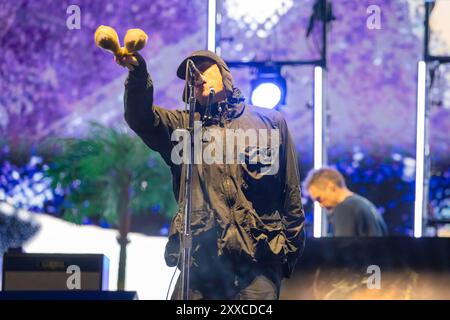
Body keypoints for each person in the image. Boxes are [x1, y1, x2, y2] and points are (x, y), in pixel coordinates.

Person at [116, 49, 305, 299]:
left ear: (224, 74)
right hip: (200, 268)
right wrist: (138, 73)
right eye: (190, 75)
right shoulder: (181, 126)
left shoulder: (270, 123)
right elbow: (139, 117)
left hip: (257, 267)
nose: (196, 76)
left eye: (204, 68)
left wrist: (283, 259)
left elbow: (290, 193)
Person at [303, 167, 388, 237]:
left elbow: (342, 251)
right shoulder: (366, 205)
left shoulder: (345, 208)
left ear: (331, 187)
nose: (321, 205)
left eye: (319, 199)